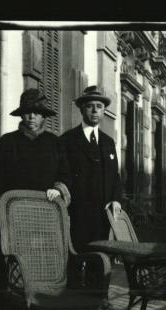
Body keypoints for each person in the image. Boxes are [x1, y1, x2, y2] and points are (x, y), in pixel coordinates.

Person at [60, 86, 123, 252]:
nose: (95, 110)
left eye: (100, 106)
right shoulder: (68, 140)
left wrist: (116, 199)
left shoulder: (108, 142)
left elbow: (115, 176)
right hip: (77, 213)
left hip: (103, 214)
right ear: (82, 109)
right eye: (90, 106)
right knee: (76, 258)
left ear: (103, 111)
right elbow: (62, 174)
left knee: (101, 260)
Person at [0, 88, 71, 209]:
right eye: (28, 112)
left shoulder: (55, 143)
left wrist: (57, 190)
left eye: (37, 113)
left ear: (43, 116)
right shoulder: (8, 141)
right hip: (15, 209)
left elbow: (64, 174)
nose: (32, 116)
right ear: (22, 115)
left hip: (46, 208)